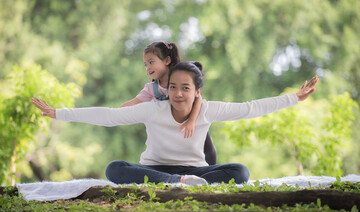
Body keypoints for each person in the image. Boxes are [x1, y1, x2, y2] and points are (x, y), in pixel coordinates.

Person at [32, 61, 319, 186]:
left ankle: (183, 181)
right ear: (166, 89)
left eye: (185, 88)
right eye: (173, 88)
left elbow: (250, 108)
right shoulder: (152, 110)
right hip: (155, 169)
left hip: (197, 171)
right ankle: (177, 183)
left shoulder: (207, 110)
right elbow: (109, 116)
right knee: (114, 169)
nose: (178, 94)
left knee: (240, 172)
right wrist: (60, 113)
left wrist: (295, 97)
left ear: (197, 92)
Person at [121, 41, 217, 165]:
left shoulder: (182, 77)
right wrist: (110, 117)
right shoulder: (151, 89)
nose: (148, 68)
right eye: (145, 64)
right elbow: (133, 103)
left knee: (207, 147)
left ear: (167, 60)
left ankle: (213, 174)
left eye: (151, 62)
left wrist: (192, 121)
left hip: (190, 120)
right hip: (168, 126)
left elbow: (198, 100)